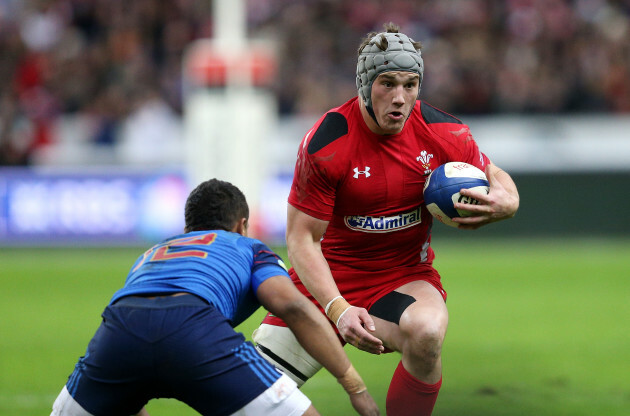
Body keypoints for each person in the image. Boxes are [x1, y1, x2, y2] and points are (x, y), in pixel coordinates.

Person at [252, 22, 520, 416]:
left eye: (410, 85)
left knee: (427, 331)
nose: (399, 98)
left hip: (402, 276)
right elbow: (302, 241)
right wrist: (339, 309)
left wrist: (509, 201)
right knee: (253, 397)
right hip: (327, 277)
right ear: (364, 83)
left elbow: (492, 171)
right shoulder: (327, 143)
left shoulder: (444, 131)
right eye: (387, 83)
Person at [50, 178, 380, 416]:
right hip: (193, 327)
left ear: (186, 227)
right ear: (242, 224)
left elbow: (136, 363)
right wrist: (355, 387)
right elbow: (293, 307)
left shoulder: (152, 253)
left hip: (118, 331)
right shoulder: (248, 247)